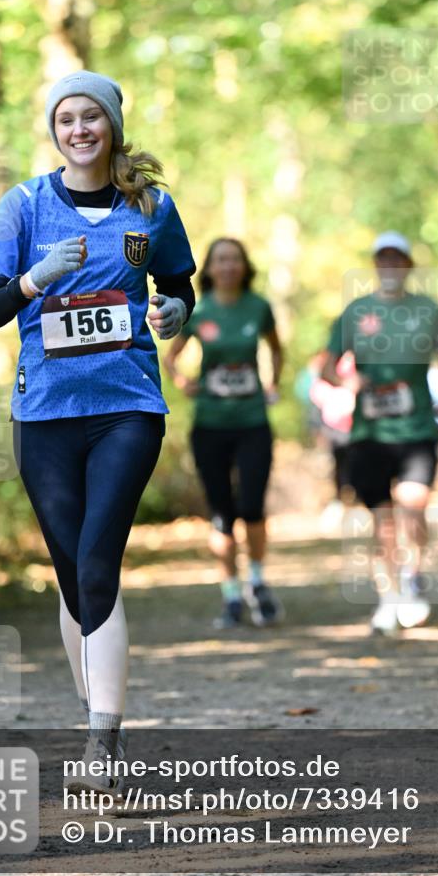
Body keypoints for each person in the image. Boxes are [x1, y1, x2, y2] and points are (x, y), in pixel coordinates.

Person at [0, 70, 196, 798]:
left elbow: (180, 286)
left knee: (98, 562)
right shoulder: (25, 205)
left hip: (127, 406)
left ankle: (104, 742)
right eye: (65, 118)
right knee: (71, 573)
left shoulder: (149, 206)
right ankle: (96, 720)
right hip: (45, 417)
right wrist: (33, 280)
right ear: (53, 130)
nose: (78, 129)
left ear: (112, 125)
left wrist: (176, 314)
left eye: (90, 116)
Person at [321, 232, 438, 635]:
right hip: (370, 432)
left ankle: (412, 578)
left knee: (413, 506)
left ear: (408, 265)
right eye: (382, 259)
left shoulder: (428, 310)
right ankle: (390, 597)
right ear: (374, 265)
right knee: (383, 519)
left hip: (417, 428)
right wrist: (348, 384)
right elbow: (328, 366)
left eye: (396, 259)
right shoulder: (356, 311)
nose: (389, 266)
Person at [164, 238, 284, 629]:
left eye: (235, 259)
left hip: (252, 422)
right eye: (221, 260)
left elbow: (276, 349)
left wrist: (272, 383)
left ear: (244, 266)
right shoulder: (200, 310)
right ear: (210, 268)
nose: (228, 266)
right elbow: (171, 356)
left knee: (251, 507)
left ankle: (259, 584)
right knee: (221, 515)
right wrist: (183, 382)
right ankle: (230, 595)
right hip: (211, 424)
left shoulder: (258, 307)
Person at [310, 351, 356, 533]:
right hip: (334, 431)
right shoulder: (323, 380)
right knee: (339, 469)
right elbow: (316, 406)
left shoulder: (356, 371)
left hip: (356, 430)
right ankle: (340, 502)